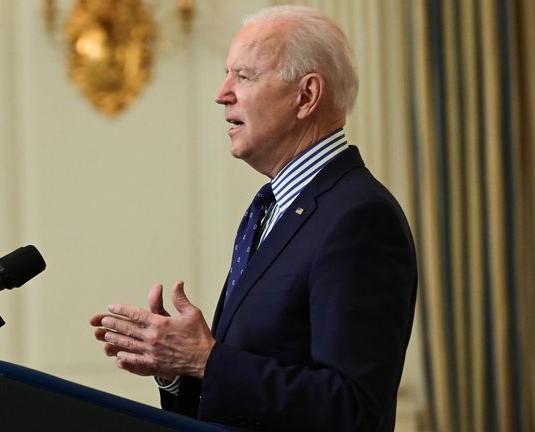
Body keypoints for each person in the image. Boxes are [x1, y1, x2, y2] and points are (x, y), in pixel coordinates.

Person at [89, 5, 417, 431]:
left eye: (244, 76)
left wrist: (204, 359)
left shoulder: (359, 218)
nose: (222, 92)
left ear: (306, 96)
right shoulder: (268, 209)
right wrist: (177, 372)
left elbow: (352, 411)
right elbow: (247, 383)